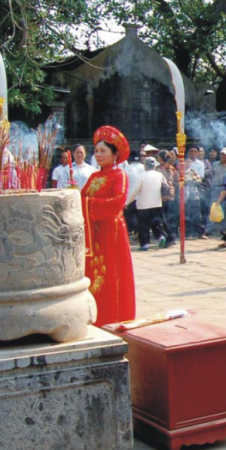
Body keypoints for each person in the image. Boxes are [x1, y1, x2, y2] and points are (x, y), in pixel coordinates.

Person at [81, 127, 136, 327]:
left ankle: (112, 315)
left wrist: (89, 204)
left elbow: (118, 201)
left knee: (110, 274)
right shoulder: (94, 177)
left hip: (110, 232)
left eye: (103, 151)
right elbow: (82, 197)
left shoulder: (119, 175)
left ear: (115, 154)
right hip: (93, 231)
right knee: (93, 273)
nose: (98, 155)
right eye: (96, 151)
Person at [127, 157, 174, 250]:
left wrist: (127, 202)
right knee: (156, 223)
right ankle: (160, 237)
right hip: (157, 203)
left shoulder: (141, 176)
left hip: (143, 205)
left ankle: (145, 245)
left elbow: (134, 191)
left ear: (145, 166)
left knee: (143, 225)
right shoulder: (159, 175)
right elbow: (165, 186)